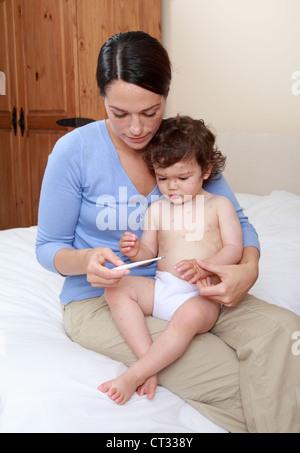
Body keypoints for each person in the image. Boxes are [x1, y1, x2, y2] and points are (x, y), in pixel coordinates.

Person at [36, 31, 300, 433]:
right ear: (101, 99)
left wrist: (248, 268)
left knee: (286, 338)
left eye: (150, 111)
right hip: (104, 298)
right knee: (234, 375)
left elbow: (239, 224)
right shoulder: (75, 152)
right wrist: (86, 259)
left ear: (166, 95)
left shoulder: (180, 145)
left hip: (199, 285)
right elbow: (48, 246)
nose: (138, 129)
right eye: (119, 113)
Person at [98, 115, 244, 405]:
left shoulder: (219, 205)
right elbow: (149, 254)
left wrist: (205, 266)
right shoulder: (156, 209)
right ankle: (148, 362)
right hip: (163, 287)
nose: (172, 187)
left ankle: (134, 374)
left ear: (206, 171)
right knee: (115, 288)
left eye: (182, 178)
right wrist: (134, 250)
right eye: (162, 179)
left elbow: (234, 248)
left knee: (187, 318)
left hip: (200, 294)